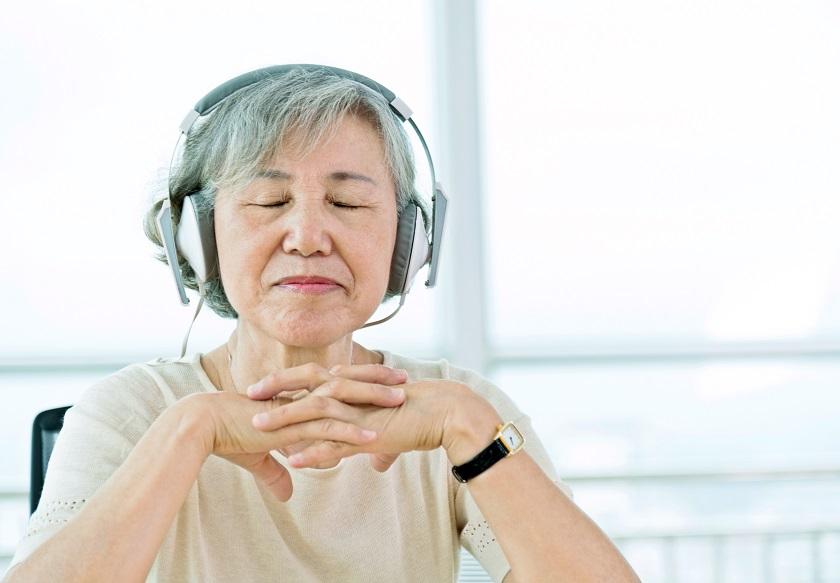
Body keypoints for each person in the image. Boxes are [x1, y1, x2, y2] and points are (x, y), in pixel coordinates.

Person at [3, 66, 639, 582]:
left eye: (349, 202)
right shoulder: (134, 412)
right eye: (268, 201)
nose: (307, 237)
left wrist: (471, 430)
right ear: (200, 240)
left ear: (407, 240)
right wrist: (188, 432)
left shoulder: (459, 412)